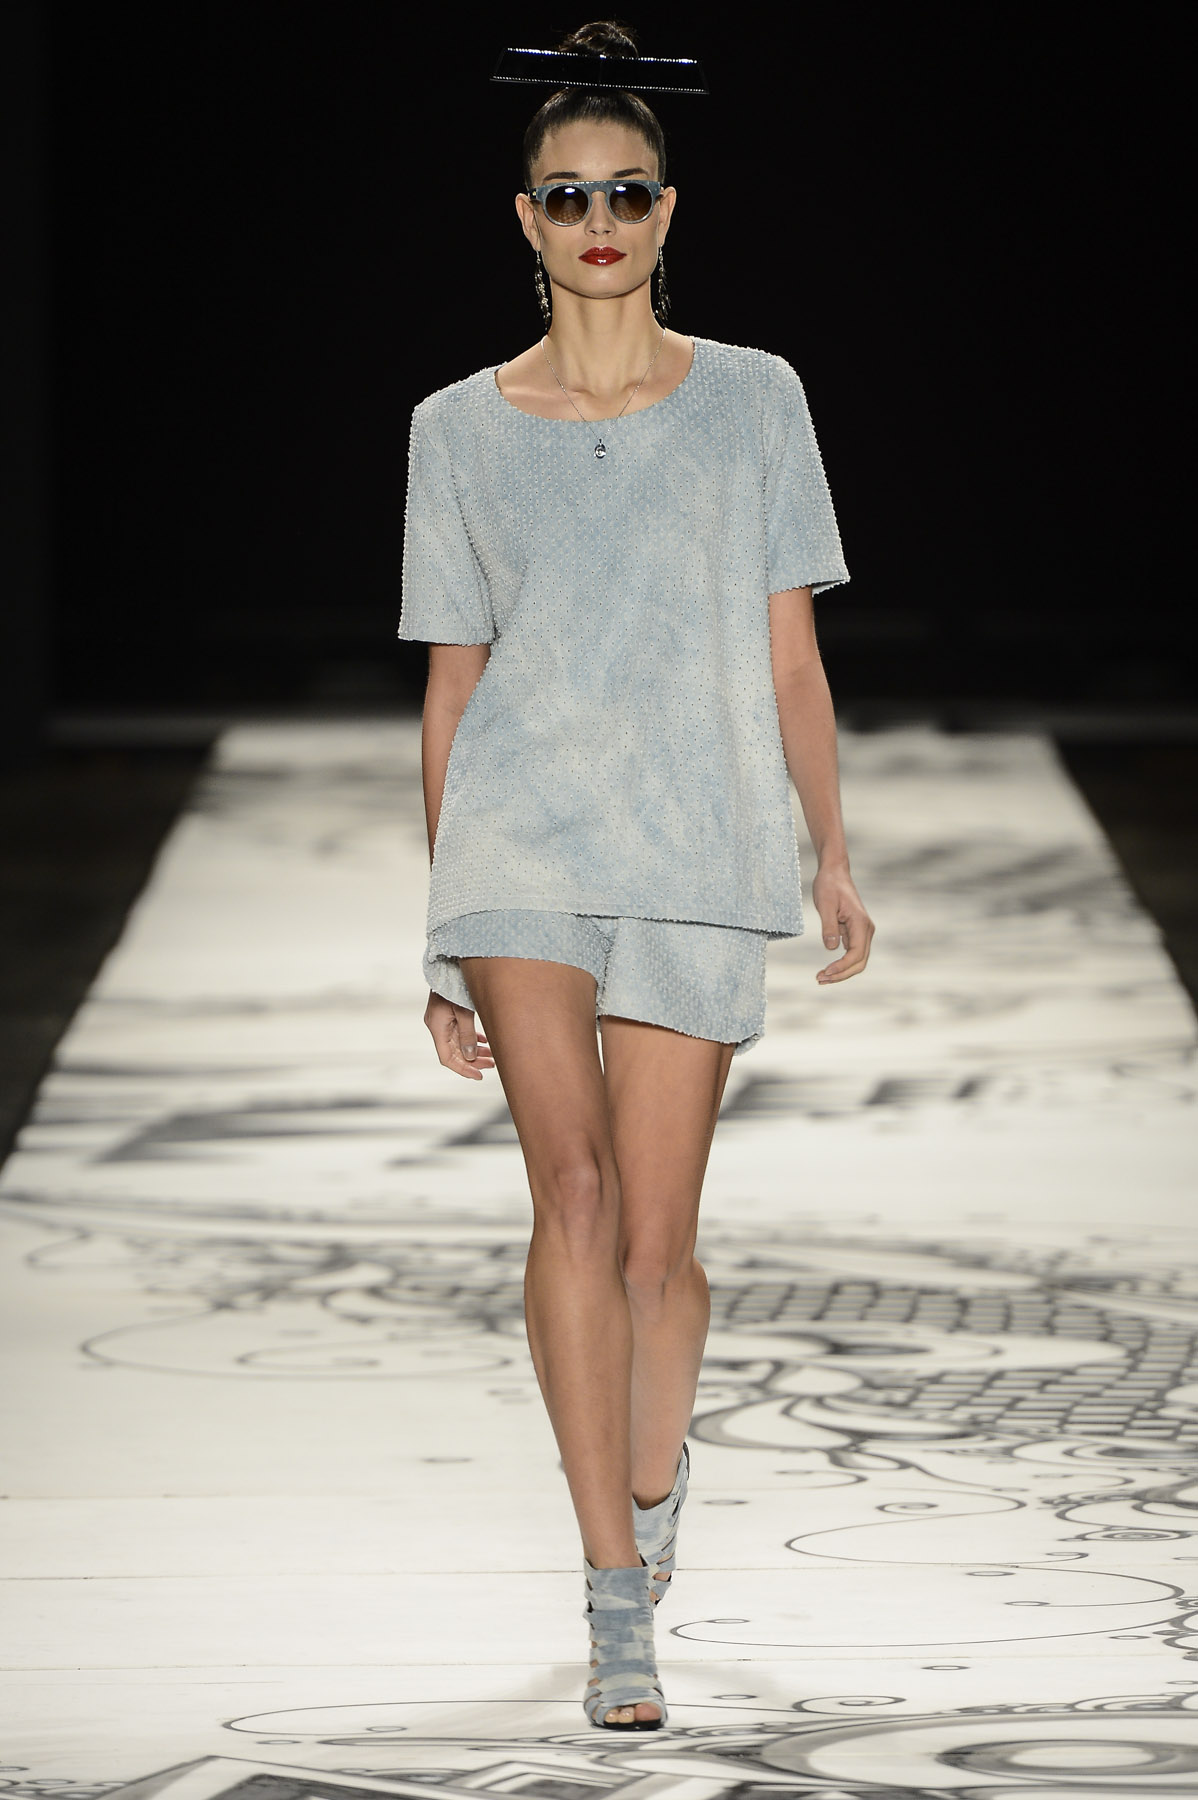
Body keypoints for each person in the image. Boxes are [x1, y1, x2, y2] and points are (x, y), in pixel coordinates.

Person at [397, 18, 874, 1732]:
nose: (596, 218)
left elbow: (791, 656)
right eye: (565, 194)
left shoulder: (755, 400)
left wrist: (827, 849)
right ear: (521, 218)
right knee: (575, 1199)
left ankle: (651, 1488)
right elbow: (452, 685)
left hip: (694, 837)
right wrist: (443, 927)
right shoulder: (456, 428)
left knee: (660, 1246)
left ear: (668, 211)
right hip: (522, 844)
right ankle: (612, 1587)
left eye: (624, 191)